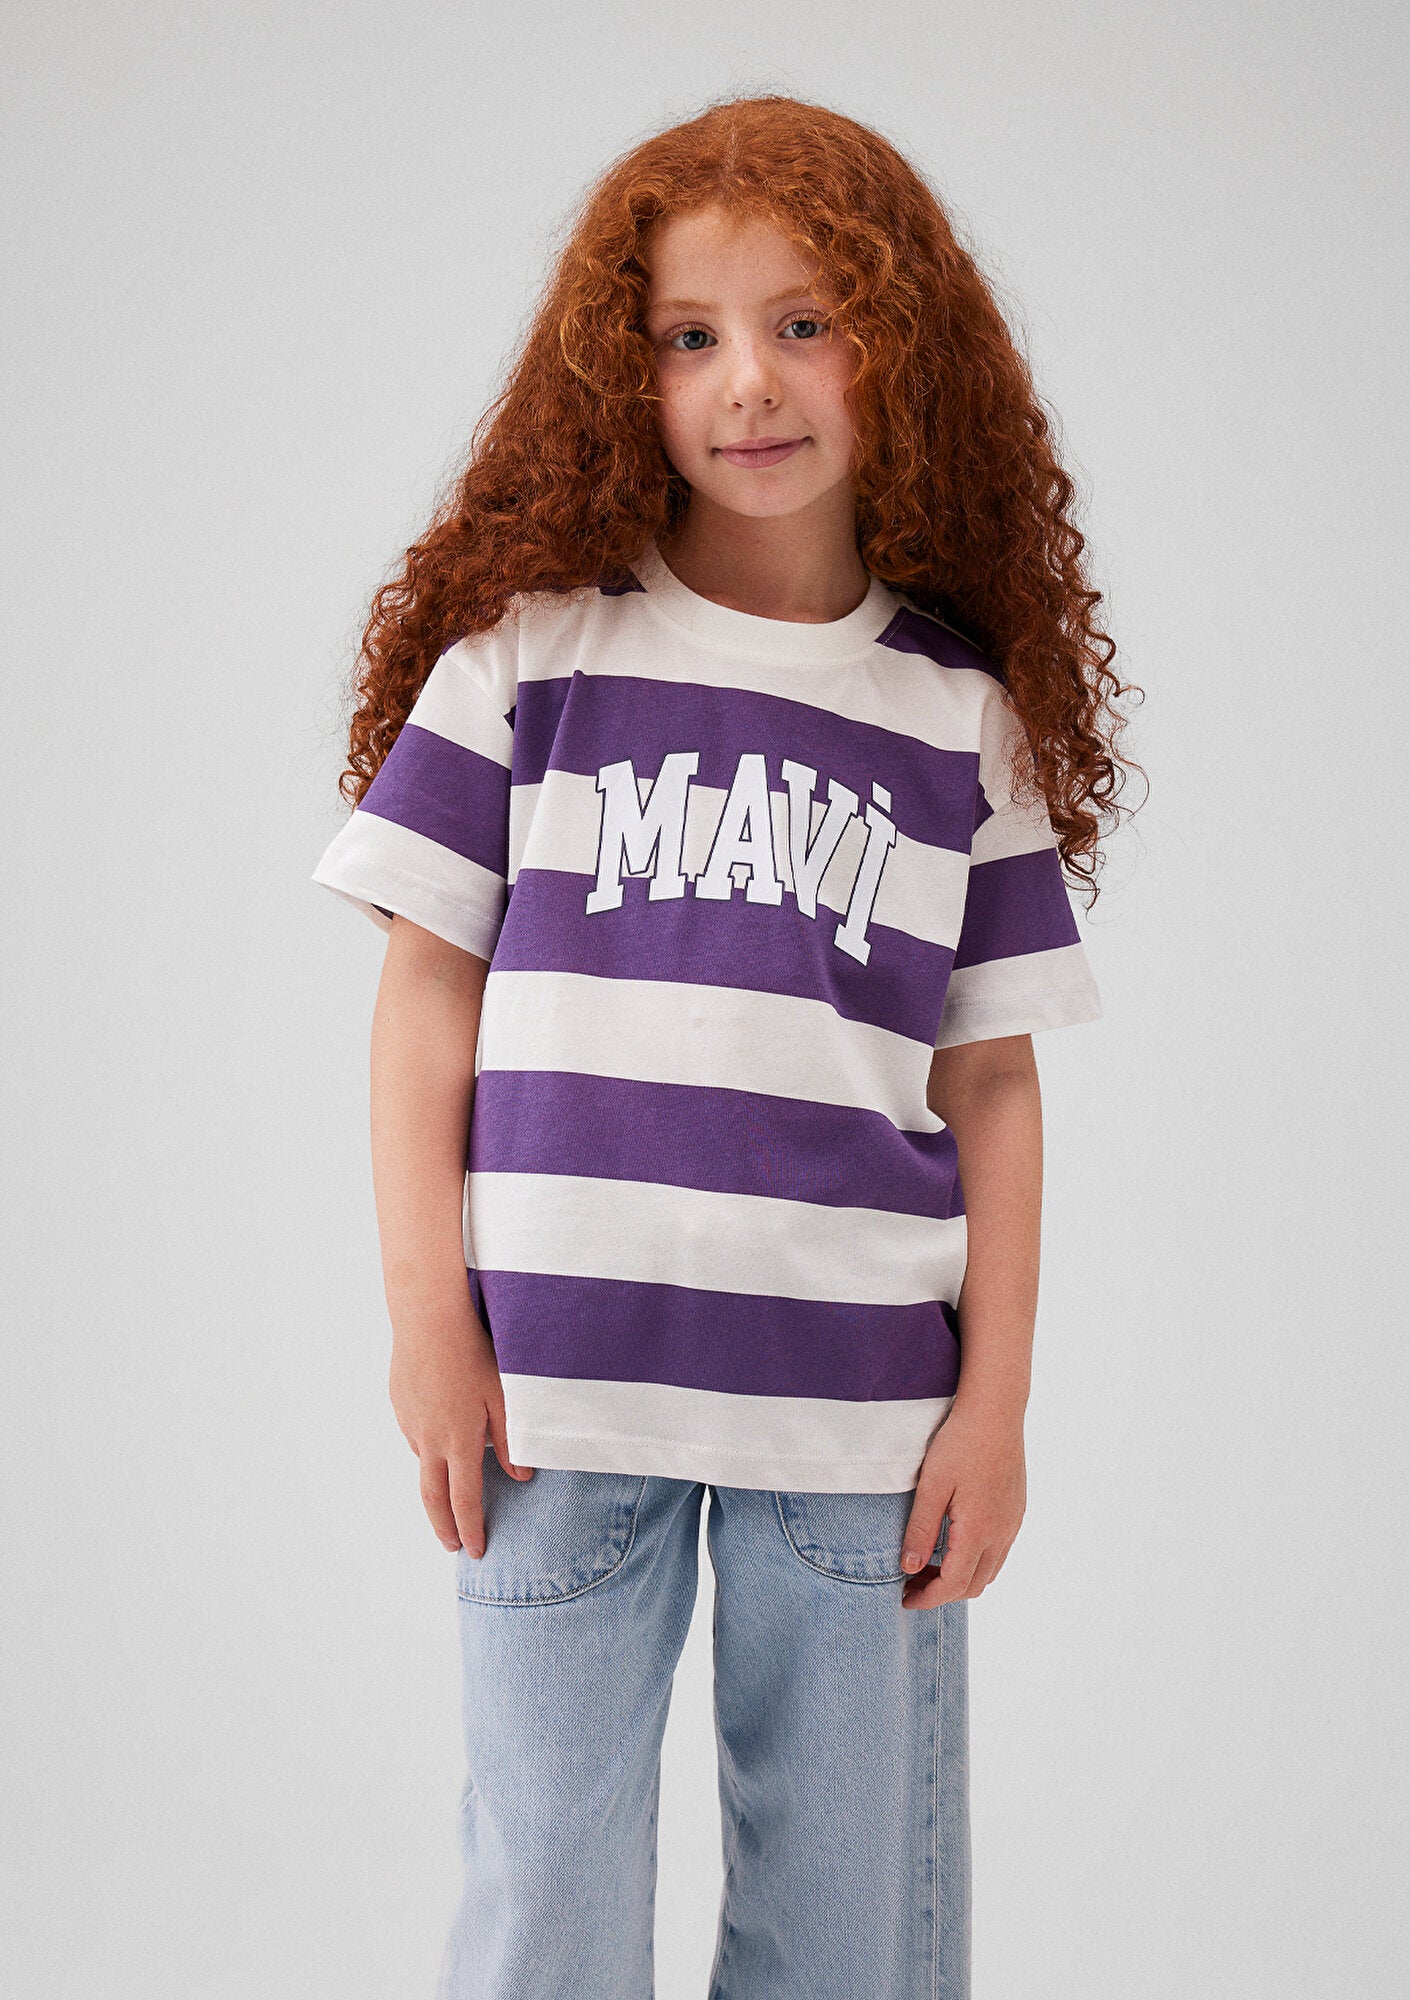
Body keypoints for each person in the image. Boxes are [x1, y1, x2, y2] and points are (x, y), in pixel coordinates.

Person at [312, 91, 1138, 2000]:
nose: (745, 381)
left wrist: (996, 1405)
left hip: (856, 1417)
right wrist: (428, 1318)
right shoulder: (532, 656)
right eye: (688, 335)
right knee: (545, 1901)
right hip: (553, 1396)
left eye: (803, 322)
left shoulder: (956, 722)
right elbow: (424, 991)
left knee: (846, 1930)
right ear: (625, 374)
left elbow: (990, 1079)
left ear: (900, 351)